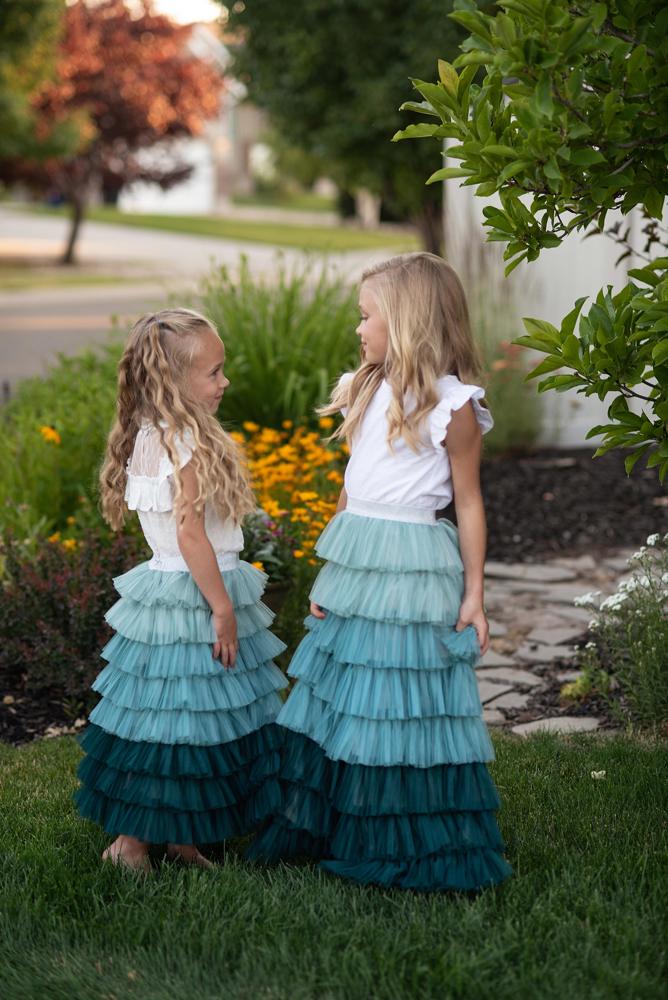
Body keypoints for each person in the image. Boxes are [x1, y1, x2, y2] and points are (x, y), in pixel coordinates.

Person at [248, 253, 513, 891]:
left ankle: (403, 834)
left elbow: (468, 502)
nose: (358, 327)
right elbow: (350, 491)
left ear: (408, 322)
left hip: (413, 562)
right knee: (342, 692)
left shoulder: (455, 405)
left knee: (398, 700)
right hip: (360, 557)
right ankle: (335, 818)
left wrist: (474, 594)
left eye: (367, 316)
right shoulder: (367, 387)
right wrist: (328, 574)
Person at [76, 308, 287, 871]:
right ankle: (130, 844)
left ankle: (180, 836)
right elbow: (191, 533)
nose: (225, 383)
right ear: (173, 380)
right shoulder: (185, 440)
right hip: (197, 592)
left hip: (169, 588)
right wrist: (222, 608)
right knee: (177, 721)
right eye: (214, 373)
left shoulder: (150, 433)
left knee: (181, 717)